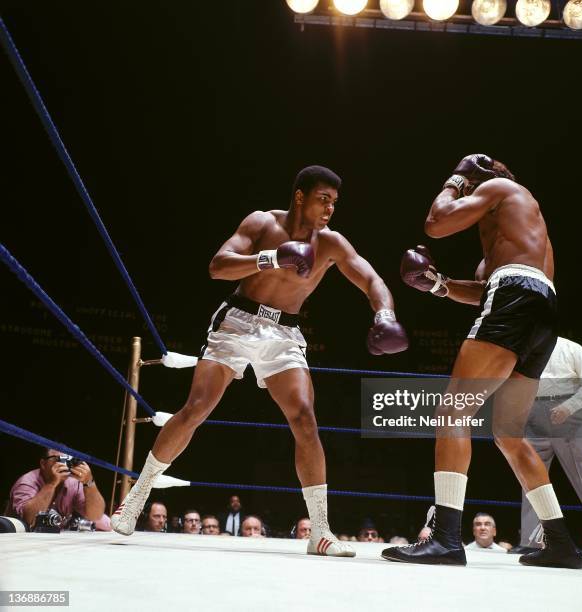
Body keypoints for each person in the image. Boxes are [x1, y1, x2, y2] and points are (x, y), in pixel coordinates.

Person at [112, 165, 408, 558]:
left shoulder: (332, 243)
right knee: (197, 408)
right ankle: (137, 496)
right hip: (237, 321)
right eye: (323, 199)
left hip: (284, 334)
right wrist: (271, 259)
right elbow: (218, 266)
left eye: (334, 203)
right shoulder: (262, 223)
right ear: (300, 196)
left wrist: (384, 313)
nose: (329, 210)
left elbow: (372, 279)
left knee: (304, 417)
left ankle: (320, 531)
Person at [383, 153, 582, 569]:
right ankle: (563, 543)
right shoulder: (522, 235)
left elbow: (436, 223)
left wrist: (457, 178)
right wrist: (438, 286)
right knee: (509, 434)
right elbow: (481, 289)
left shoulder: (500, 188)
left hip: (514, 299)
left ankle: (444, 539)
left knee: (451, 413)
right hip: (542, 312)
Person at [515, 337, 582, 559]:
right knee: (530, 480)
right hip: (534, 412)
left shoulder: (572, 348)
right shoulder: (524, 346)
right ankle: (530, 542)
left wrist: (568, 408)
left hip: (570, 414)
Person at [8, 447, 110, 530]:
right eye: (58, 459)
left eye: (68, 460)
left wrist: (89, 482)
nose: (64, 464)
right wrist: (51, 484)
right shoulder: (27, 481)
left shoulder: (73, 484)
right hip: (19, 537)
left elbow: (95, 516)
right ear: (43, 464)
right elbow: (28, 520)